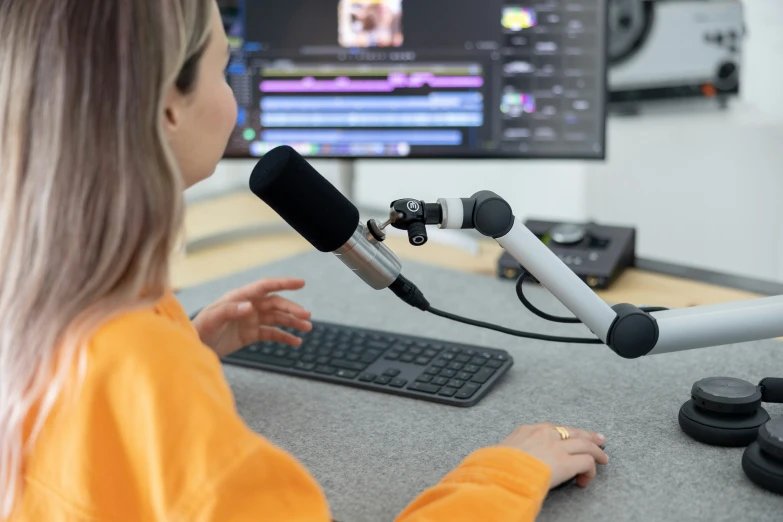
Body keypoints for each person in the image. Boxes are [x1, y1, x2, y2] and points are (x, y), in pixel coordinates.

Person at [0, 1, 609, 520]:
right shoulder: (147, 370)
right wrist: (508, 473)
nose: (236, 87)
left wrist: (181, 345)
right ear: (167, 107)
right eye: (224, 68)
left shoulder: (47, 308)